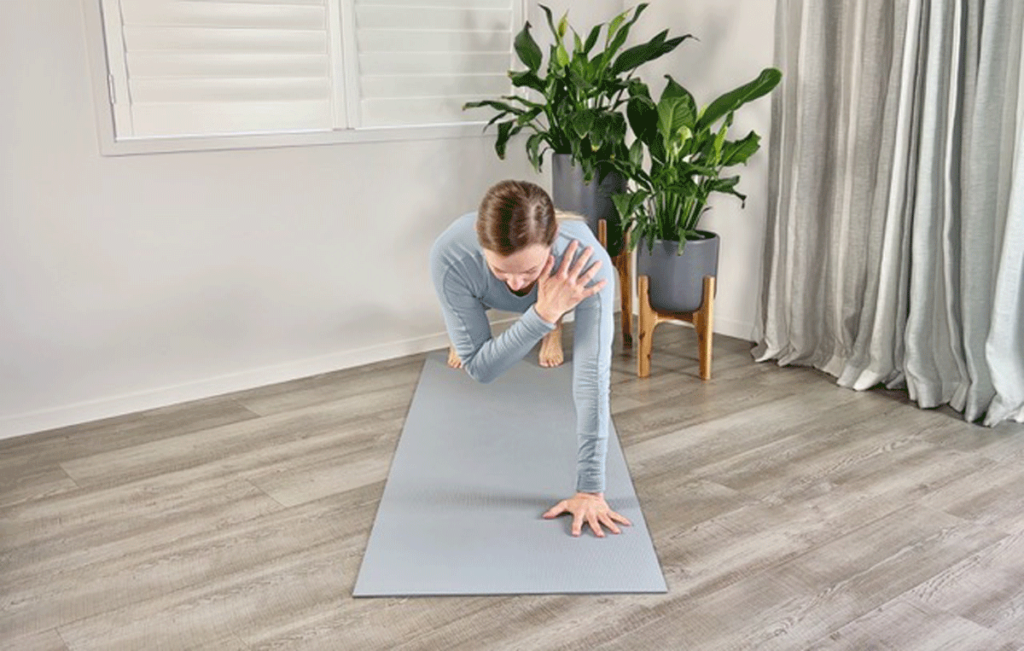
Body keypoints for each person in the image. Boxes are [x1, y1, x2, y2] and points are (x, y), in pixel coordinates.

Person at [429, 179, 631, 538]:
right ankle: (481, 322)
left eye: (529, 271)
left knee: (551, 323)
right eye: (501, 270)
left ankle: (549, 322)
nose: (516, 283)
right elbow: (482, 369)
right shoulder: (450, 256)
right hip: (488, 294)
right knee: (473, 346)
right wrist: (539, 314)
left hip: (561, 292)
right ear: (481, 245)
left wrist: (590, 488)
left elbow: (591, 379)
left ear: (551, 244)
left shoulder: (589, 264)